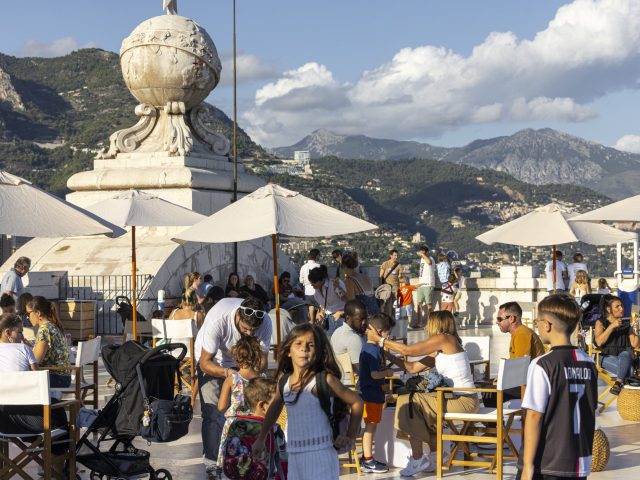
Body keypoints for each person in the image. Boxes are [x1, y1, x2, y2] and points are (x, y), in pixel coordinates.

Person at [367, 311, 479, 476]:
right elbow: (412, 368)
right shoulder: (444, 347)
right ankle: (434, 456)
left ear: (437, 325)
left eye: (428, 323)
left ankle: (418, 458)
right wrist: (387, 355)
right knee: (417, 405)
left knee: (408, 401)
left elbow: (409, 350)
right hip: (459, 398)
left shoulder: (444, 338)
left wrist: (381, 340)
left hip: (463, 400)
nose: (425, 327)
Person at [252, 324, 364, 479]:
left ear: (318, 352)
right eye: (298, 344)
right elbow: (274, 409)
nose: (304, 349)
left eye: (310, 345)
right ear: (288, 351)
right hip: (294, 456)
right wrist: (261, 438)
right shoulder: (284, 382)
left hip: (321, 455)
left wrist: (350, 437)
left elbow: (357, 402)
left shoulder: (324, 380)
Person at [517, 294, 598, 480]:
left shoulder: (543, 364)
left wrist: (527, 467)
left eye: (538, 322)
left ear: (546, 325)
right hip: (579, 460)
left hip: (547, 461)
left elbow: (534, 415)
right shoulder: (589, 363)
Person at [195, 296, 272, 479]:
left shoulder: (265, 322)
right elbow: (205, 363)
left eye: (253, 331)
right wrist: (229, 374)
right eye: (245, 328)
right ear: (238, 316)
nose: (249, 334)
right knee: (213, 413)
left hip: (244, 366)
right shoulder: (218, 320)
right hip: (214, 362)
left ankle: (246, 457)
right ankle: (212, 463)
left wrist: (252, 375)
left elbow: (262, 359)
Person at [0, 313, 70, 468]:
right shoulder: (24, 349)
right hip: (30, 421)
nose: (21, 336)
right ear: (7, 332)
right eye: (19, 332)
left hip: (3, 421)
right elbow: (38, 382)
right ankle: (57, 466)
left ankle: (5, 471)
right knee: (58, 415)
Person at [484, 302, 545, 408]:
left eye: (499, 319)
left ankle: (497, 425)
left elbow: (520, 368)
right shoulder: (517, 334)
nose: (497, 322)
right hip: (525, 380)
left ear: (511, 318)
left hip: (529, 384)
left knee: (489, 395)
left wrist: (497, 384)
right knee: (488, 388)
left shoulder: (522, 335)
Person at [359, 313, 397, 473]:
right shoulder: (372, 351)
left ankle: (367, 458)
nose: (389, 337)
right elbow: (375, 374)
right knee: (370, 427)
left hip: (373, 393)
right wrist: (387, 372)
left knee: (371, 426)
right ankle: (368, 459)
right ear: (380, 331)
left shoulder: (373, 349)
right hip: (371, 395)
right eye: (388, 333)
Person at [217, 336, 262, 468]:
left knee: (232, 465)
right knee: (252, 466)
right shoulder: (262, 380)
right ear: (257, 356)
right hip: (255, 427)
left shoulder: (232, 379)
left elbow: (221, 406)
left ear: (236, 357)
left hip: (234, 426)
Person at [594, 294, 640, 394]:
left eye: (622, 306)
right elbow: (599, 342)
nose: (621, 308)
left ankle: (618, 383)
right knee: (631, 370)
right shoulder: (601, 322)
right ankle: (622, 383)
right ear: (608, 309)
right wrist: (611, 326)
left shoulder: (627, 324)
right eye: (617, 306)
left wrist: (636, 329)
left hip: (625, 358)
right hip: (605, 357)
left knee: (626, 354)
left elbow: (635, 345)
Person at [27, 296, 70, 388]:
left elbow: (36, 360)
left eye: (29, 313)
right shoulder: (52, 325)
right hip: (62, 377)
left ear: (38, 313)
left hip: (56, 378)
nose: (28, 317)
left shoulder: (45, 329)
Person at [330, 299, 367, 383]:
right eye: (360, 319)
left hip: (339, 381)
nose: (364, 322)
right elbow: (361, 371)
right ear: (348, 318)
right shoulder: (354, 338)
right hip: (354, 385)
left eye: (365, 318)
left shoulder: (337, 332)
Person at [309, 266, 346, 337]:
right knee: (330, 341)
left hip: (341, 317)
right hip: (329, 319)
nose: (312, 285)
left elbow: (346, 299)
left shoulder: (334, 283)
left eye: (314, 282)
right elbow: (323, 304)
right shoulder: (316, 292)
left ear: (321, 280)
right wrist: (321, 312)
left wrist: (338, 287)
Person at [415, 246, 436, 327]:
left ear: (425, 252)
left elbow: (429, 262)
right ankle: (419, 322)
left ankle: (429, 323)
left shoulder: (430, 258)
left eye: (422, 251)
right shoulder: (421, 259)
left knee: (429, 304)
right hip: (421, 285)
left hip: (428, 284)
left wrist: (423, 255)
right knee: (419, 304)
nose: (420, 253)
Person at [299, 249, 321, 320]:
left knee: (310, 306)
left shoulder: (303, 267)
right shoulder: (318, 266)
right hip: (317, 290)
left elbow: (301, 281)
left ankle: (312, 321)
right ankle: (319, 322)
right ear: (315, 258)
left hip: (307, 291)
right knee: (319, 306)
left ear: (308, 258)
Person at [378, 249, 401, 316]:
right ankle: (387, 317)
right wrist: (381, 286)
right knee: (386, 303)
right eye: (395, 255)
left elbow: (400, 277)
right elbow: (380, 276)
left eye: (397, 255)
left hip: (395, 287)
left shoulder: (399, 265)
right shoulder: (385, 264)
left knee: (395, 303)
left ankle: (393, 318)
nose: (396, 257)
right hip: (386, 287)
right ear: (391, 256)